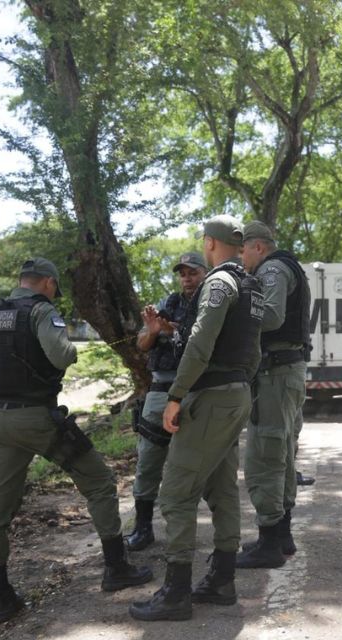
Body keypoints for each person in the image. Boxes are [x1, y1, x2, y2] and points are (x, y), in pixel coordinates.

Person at [0, 258, 152, 624]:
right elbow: (61, 355)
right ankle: (116, 568)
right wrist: (70, 349)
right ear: (46, 283)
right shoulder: (41, 312)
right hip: (39, 419)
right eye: (53, 289)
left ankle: (1, 598)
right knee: (99, 482)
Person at [129, 215, 263, 622]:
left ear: (209, 243)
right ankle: (222, 580)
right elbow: (255, 349)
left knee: (176, 493)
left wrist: (175, 396)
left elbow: (201, 344)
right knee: (222, 488)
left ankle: (176, 593)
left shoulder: (219, 283)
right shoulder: (250, 285)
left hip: (211, 395)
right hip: (237, 391)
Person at [235, 221, 310, 569]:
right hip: (285, 372)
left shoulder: (272, 270)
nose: (241, 257)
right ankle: (281, 536)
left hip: (276, 374)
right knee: (281, 455)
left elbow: (272, 315)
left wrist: (233, 315)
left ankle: (269, 542)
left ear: (258, 247)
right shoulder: (285, 266)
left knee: (265, 454)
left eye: (243, 250)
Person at [125, 251, 208, 551]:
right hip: (161, 390)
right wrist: (154, 330)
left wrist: (175, 330)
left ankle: (186, 530)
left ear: (204, 273)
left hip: (196, 390)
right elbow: (142, 344)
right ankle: (143, 527)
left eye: (193, 272)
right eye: (183, 273)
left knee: (194, 463)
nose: (187, 278)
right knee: (148, 459)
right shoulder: (167, 304)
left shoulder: (212, 301)